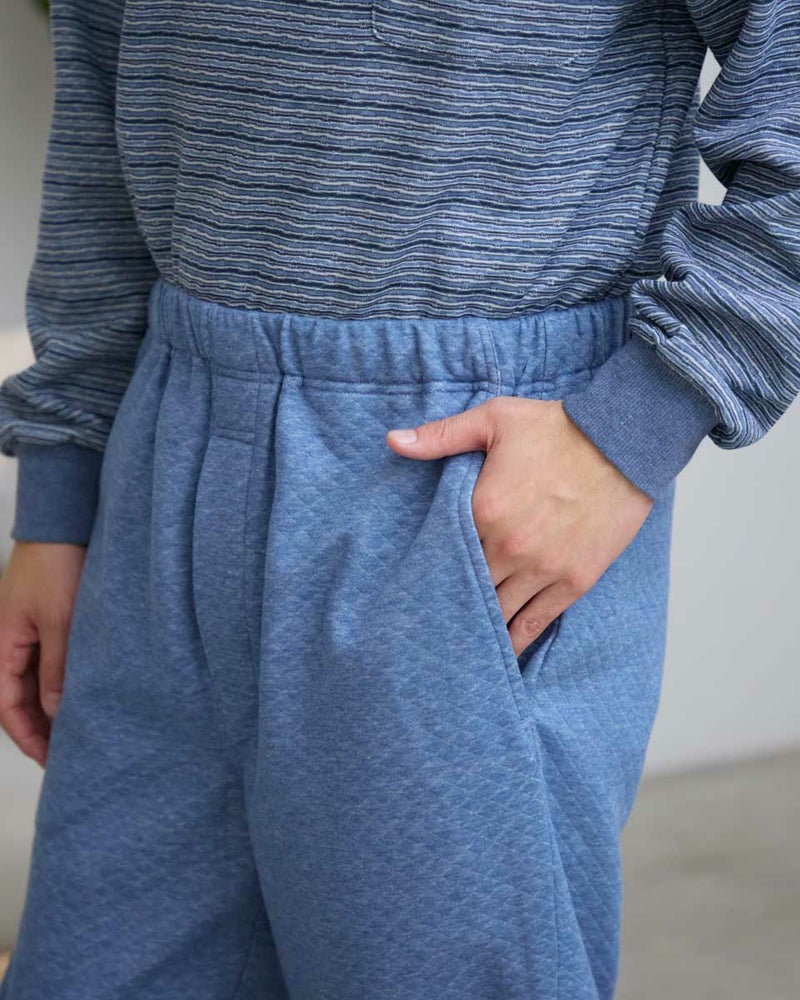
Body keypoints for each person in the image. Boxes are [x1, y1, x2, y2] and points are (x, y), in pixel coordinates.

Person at [0, 2, 797, 998]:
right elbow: (101, 107)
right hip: (162, 462)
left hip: (454, 478)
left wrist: (632, 425)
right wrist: (62, 491)